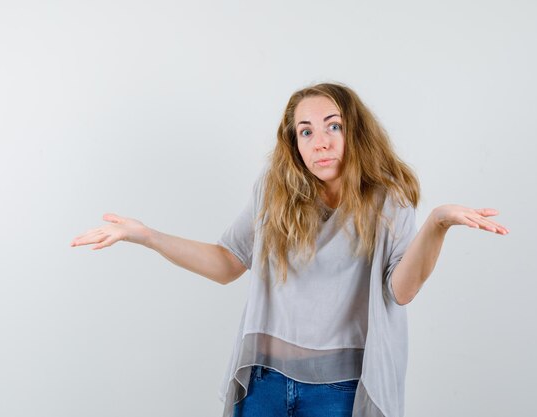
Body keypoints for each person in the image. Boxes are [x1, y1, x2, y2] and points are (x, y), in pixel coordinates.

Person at [71, 82, 508, 417]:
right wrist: (148, 236)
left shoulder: (388, 199)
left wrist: (437, 224)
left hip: (340, 391)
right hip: (264, 381)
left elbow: (402, 290)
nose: (320, 141)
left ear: (354, 131)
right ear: (294, 143)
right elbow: (227, 263)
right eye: (306, 131)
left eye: (333, 126)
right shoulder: (274, 191)